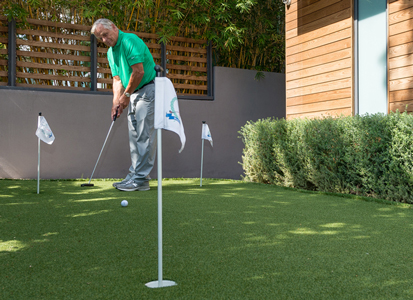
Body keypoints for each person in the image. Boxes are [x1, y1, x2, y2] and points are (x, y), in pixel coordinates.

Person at [91, 18, 157, 192]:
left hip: (147, 91)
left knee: (144, 137)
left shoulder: (129, 41)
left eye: (105, 35)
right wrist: (115, 103)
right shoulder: (111, 53)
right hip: (132, 93)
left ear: (114, 27)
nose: (104, 40)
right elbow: (117, 79)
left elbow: (139, 72)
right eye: (100, 38)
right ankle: (135, 175)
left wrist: (125, 96)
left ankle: (140, 179)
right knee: (134, 138)